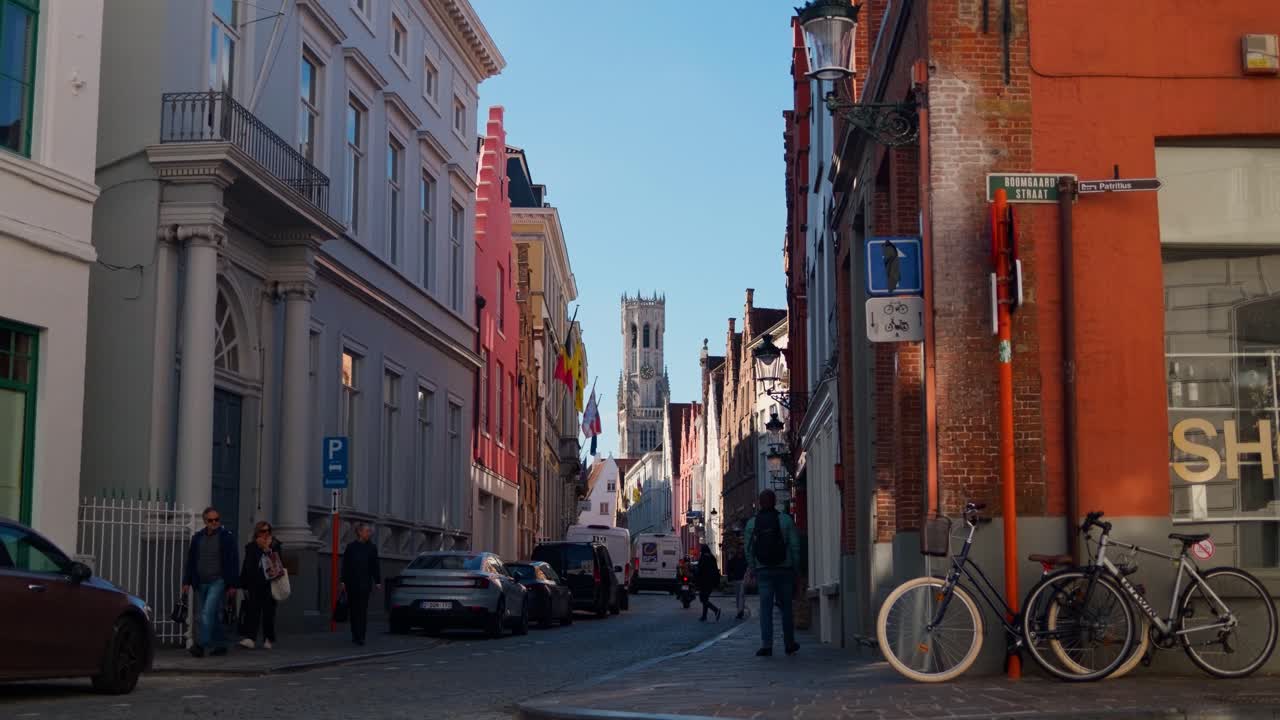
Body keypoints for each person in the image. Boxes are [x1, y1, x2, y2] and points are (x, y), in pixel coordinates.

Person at [744, 489, 801, 657]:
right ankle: (789, 643)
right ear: (775, 501)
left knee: (765, 608)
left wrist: (754, 568)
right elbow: (795, 546)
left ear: (760, 502)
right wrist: (796, 570)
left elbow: (748, 550)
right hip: (784, 569)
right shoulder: (785, 520)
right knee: (786, 608)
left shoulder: (752, 524)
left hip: (763, 571)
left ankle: (767, 645)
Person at [182, 506, 239, 657]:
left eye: (217, 519)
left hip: (218, 581)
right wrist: (186, 582)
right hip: (200, 582)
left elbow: (233, 561)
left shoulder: (226, 537)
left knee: (206, 613)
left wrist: (233, 585)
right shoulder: (198, 537)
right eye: (211, 520)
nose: (215, 522)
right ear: (205, 521)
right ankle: (220, 645)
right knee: (212, 615)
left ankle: (200, 645)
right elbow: (192, 561)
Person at [238, 521, 284, 650]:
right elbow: (246, 565)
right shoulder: (251, 546)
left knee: (269, 612)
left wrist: (266, 549)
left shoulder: (275, 545)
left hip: (270, 583)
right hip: (255, 582)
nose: (266, 533)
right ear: (257, 532)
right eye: (263, 531)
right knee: (253, 611)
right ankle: (250, 638)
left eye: (268, 530)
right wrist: (243, 584)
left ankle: (268, 638)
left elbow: (278, 564)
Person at [340, 524, 381, 646]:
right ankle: (355, 634)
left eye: (370, 531)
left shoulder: (372, 548)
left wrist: (377, 581)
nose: (369, 533)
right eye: (367, 531)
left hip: (364, 584)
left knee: (362, 610)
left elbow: (375, 565)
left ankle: (361, 636)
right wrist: (343, 581)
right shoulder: (351, 547)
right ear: (359, 532)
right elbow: (345, 565)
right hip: (352, 583)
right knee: (353, 610)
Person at [694, 544, 722, 622]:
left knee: (703, 599)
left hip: (704, 582)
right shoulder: (712, 557)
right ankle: (704, 616)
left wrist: (696, 578)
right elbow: (715, 570)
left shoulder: (703, 558)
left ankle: (716, 610)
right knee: (705, 598)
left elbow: (700, 570)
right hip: (711, 582)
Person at [727, 549, 749, 620]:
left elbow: (729, 568)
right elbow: (729, 568)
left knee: (741, 596)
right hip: (737, 579)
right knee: (738, 596)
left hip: (742, 579)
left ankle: (740, 611)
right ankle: (740, 611)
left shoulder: (742, 559)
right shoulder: (736, 559)